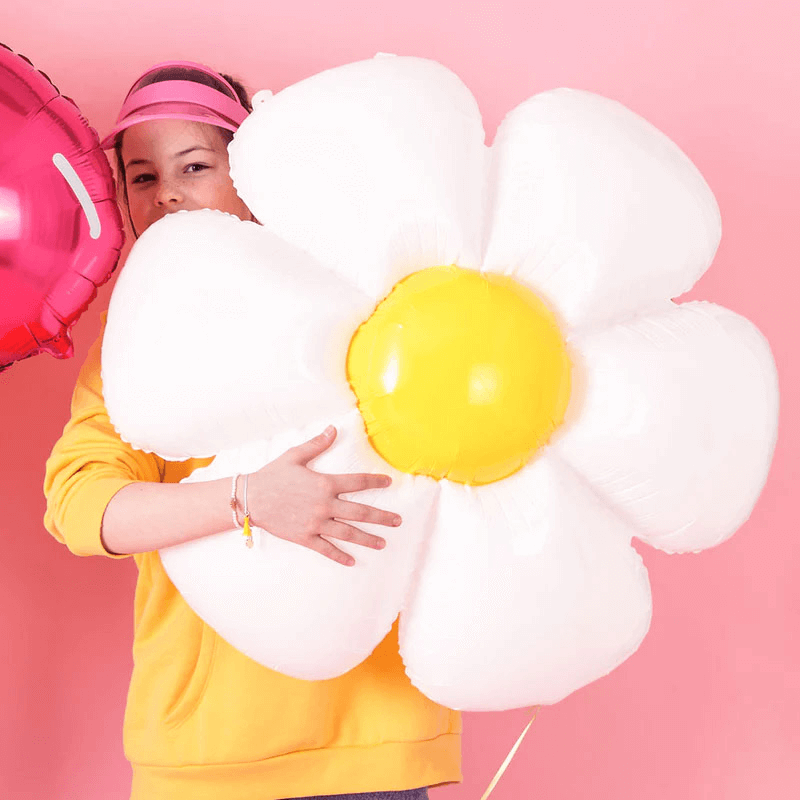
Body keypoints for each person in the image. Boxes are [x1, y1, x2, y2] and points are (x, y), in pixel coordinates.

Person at [43, 61, 462, 800]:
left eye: (195, 166)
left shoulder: (366, 290)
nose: (168, 193)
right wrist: (247, 499)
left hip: (376, 743)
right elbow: (79, 507)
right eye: (142, 177)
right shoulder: (136, 342)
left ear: (251, 171)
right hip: (211, 754)